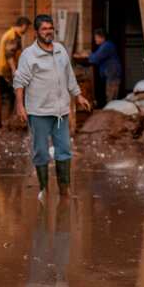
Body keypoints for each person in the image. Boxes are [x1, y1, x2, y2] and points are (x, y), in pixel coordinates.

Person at [14, 15, 91, 202]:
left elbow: (69, 75)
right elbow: (19, 81)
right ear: (37, 32)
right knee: (40, 151)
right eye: (44, 29)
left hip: (60, 111)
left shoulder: (60, 51)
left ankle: (64, 191)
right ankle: (44, 189)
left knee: (64, 150)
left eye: (50, 28)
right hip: (39, 111)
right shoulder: (29, 55)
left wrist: (78, 95)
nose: (48, 32)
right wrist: (20, 106)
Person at [0, 17, 31, 116]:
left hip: (4, 69)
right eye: (27, 27)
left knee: (9, 96)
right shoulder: (12, 36)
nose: (27, 30)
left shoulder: (12, 34)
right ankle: (6, 122)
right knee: (8, 97)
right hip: (5, 71)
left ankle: (6, 122)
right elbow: (9, 55)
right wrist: (14, 71)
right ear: (23, 25)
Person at [87, 28, 123, 106]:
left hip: (113, 76)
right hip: (111, 75)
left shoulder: (106, 46)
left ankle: (111, 116)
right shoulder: (104, 45)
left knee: (111, 99)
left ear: (102, 37)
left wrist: (88, 55)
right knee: (110, 97)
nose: (95, 40)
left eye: (96, 37)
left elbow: (95, 59)